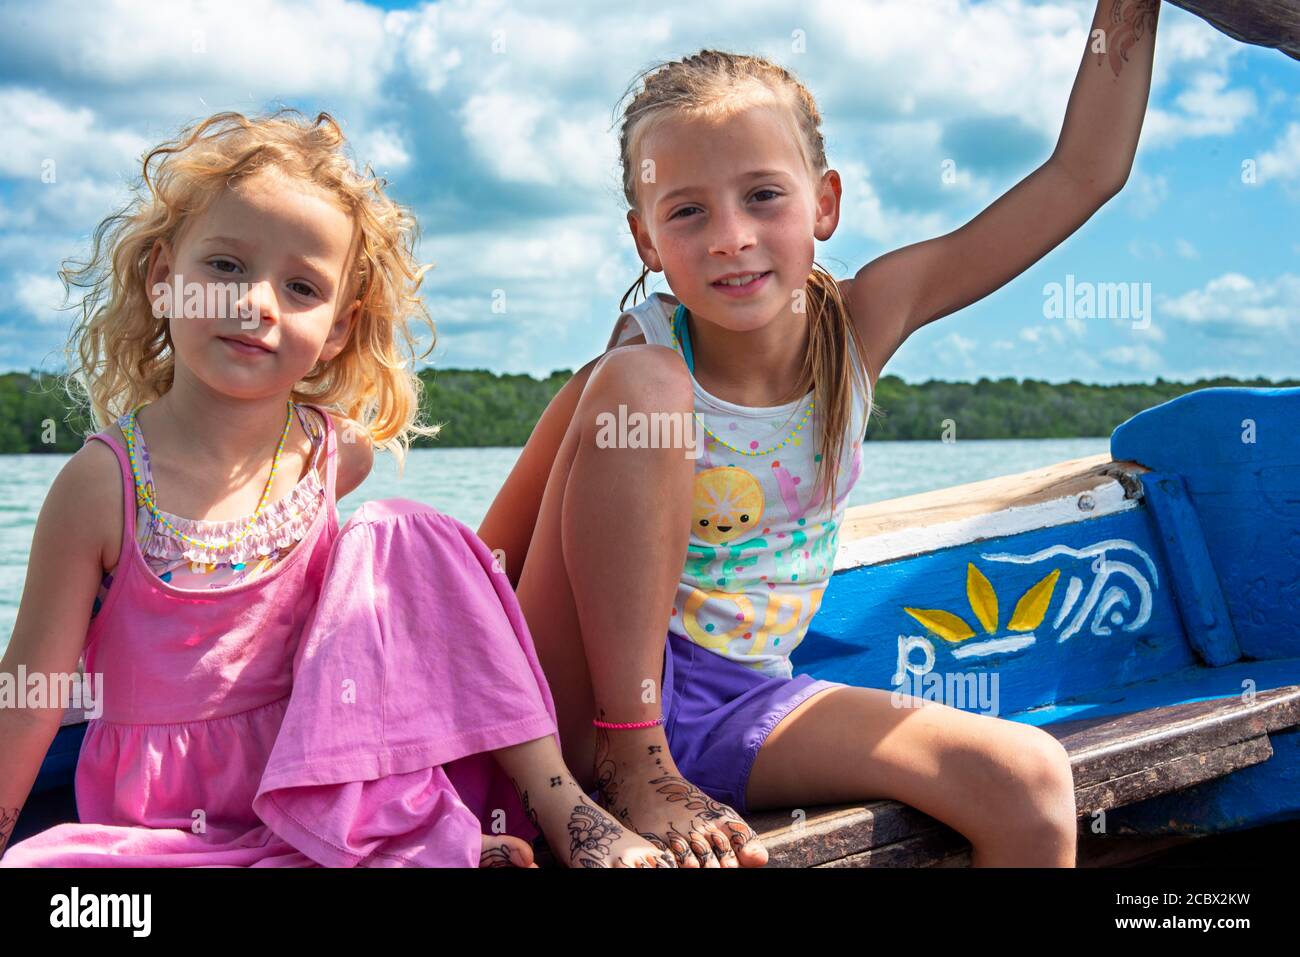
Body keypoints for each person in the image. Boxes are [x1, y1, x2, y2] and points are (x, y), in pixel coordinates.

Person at [480, 0, 1161, 868]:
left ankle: (654, 759)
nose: (731, 237)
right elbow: (484, 570)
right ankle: (633, 755)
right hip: (576, 706)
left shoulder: (862, 326)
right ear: (645, 239)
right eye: (686, 212)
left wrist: (1130, 8)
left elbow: (1084, 173)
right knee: (637, 384)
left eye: (763, 195)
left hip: (744, 702)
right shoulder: (630, 373)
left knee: (1029, 778)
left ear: (824, 201)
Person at [0, 110, 671, 868]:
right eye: (225, 267)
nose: (255, 304)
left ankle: (562, 804)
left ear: (340, 328)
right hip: (160, 827)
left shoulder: (335, 452)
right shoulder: (101, 483)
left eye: (299, 286)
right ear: (163, 279)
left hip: (325, 790)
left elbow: (393, 618)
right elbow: (30, 688)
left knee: (399, 530)